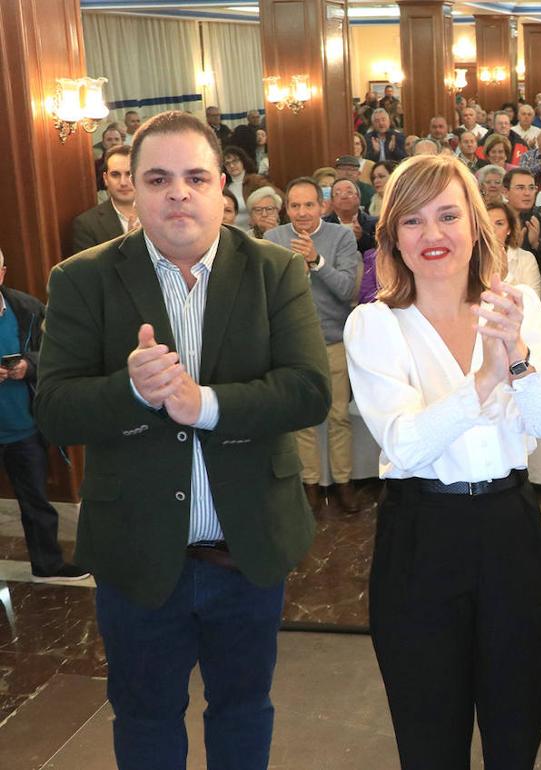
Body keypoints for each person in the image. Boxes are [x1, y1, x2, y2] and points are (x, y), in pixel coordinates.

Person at [35, 110, 331, 769]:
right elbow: (53, 409)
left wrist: (206, 405)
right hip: (138, 556)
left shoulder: (275, 271)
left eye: (195, 177)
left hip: (246, 551)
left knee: (243, 712)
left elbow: (310, 390)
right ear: (131, 189)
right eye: (158, 178)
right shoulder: (81, 278)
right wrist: (132, 392)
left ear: (222, 187)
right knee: (144, 718)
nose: (177, 192)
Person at [344, 153, 541, 770]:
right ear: (392, 235)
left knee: (516, 725)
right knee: (429, 738)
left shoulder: (515, 304)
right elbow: (407, 445)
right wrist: (484, 381)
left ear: (476, 224)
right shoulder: (376, 323)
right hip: (421, 535)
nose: (433, 235)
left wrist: (518, 359)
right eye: (413, 222)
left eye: (448, 215)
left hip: (508, 527)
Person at [265, 177, 362, 511]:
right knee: (302, 420)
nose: (302, 212)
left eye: (309, 205)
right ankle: (309, 485)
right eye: (295, 205)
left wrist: (317, 261)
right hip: (293, 346)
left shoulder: (341, 237)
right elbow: (270, 294)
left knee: (338, 417)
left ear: (323, 206)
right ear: (286, 208)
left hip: (334, 339)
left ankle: (344, 483)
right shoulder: (272, 239)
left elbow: (348, 290)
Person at [0, 246, 88, 582]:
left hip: (23, 426)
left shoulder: (27, 308)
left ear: (3, 273)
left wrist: (28, 365)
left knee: (36, 502)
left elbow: (54, 352)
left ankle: (47, 564)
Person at [72, 144, 136, 252]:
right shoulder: (87, 224)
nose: (123, 182)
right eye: (115, 175)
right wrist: (131, 243)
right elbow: (90, 269)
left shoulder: (162, 214)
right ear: (106, 179)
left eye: (129, 174)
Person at [487, 200, 541, 296]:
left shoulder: (526, 259)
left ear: (509, 229)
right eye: (486, 223)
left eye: (499, 224)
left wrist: (506, 277)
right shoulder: (469, 258)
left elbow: (534, 303)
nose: (492, 229)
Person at [324, 177, 378, 255]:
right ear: (332, 201)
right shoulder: (323, 225)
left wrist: (362, 237)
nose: (344, 196)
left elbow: (382, 251)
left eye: (349, 192)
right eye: (338, 193)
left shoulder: (375, 223)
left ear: (359, 198)